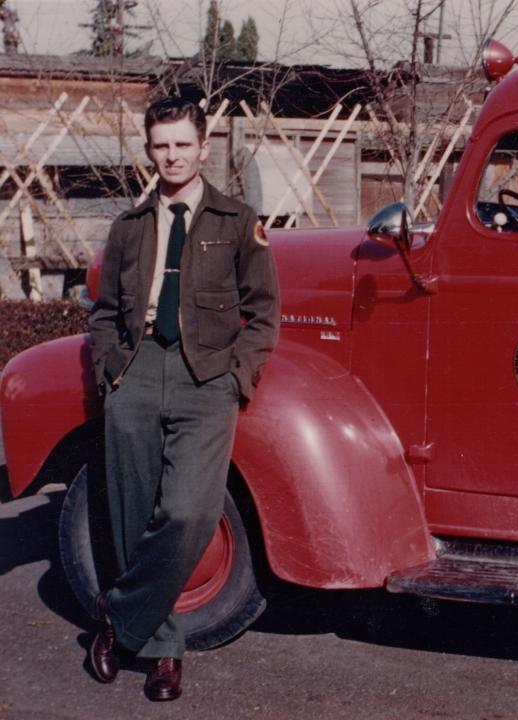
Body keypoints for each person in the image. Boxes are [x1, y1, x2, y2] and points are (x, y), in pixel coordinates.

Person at [87, 96, 280, 701]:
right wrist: (111, 372)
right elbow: (102, 314)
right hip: (137, 371)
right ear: (150, 151)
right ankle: (164, 651)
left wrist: (234, 380)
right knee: (132, 513)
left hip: (206, 379)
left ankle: (118, 620)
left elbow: (265, 314)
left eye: (182, 144)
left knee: (190, 514)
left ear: (203, 147)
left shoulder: (236, 221)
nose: (171, 156)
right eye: (160, 146)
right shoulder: (128, 227)